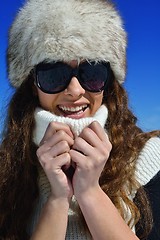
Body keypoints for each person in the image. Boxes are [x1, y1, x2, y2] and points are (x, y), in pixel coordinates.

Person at [0, 0, 160, 239]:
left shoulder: (150, 159)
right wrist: (57, 198)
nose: (75, 91)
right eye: (54, 74)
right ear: (33, 85)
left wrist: (89, 192)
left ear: (109, 83)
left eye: (93, 72)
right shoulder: (7, 170)